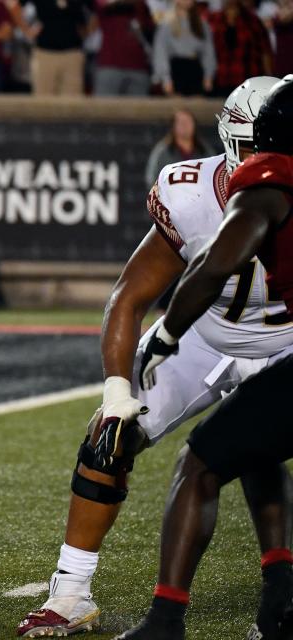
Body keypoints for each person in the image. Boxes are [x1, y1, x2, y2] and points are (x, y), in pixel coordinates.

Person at [15, 76, 293, 638]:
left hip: (285, 346)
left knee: (255, 450)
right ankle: (70, 592)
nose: (258, 161)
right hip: (201, 336)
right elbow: (129, 296)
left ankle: (279, 598)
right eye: (249, 147)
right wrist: (118, 391)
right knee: (107, 436)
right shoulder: (189, 192)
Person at [118, 74, 293, 640]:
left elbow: (216, 261)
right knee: (254, 441)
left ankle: (165, 621)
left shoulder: (271, 179)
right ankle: (281, 600)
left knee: (200, 463)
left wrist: (167, 332)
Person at [21, 0, 93, 96]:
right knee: (43, 103)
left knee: (72, 104)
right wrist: (26, 30)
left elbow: (97, 9)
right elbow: (13, 3)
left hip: (73, 53)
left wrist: (88, 31)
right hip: (44, 53)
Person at [91, 0, 155, 97]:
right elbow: (100, 4)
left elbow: (150, 27)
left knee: (139, 111)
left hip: (138, 68)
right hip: (109, 66)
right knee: (104, 111)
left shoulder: (141, 6)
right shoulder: (105, 6)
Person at [152, 0, 215, 96]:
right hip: (176, 69)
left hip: (195, 69)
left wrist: (208, 76)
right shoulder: (166, 24)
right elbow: (161, 52)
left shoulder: (201, 24)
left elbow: (208, 52)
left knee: (197, 108)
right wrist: (166, 79)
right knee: (177, 108)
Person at [144, 109, 213, 189]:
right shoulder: (163, 152)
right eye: (181, 122)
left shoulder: (204, 150)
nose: (185, 125)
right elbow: (151, 179)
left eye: (188, 122)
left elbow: (215, 174)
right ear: (173, 126)